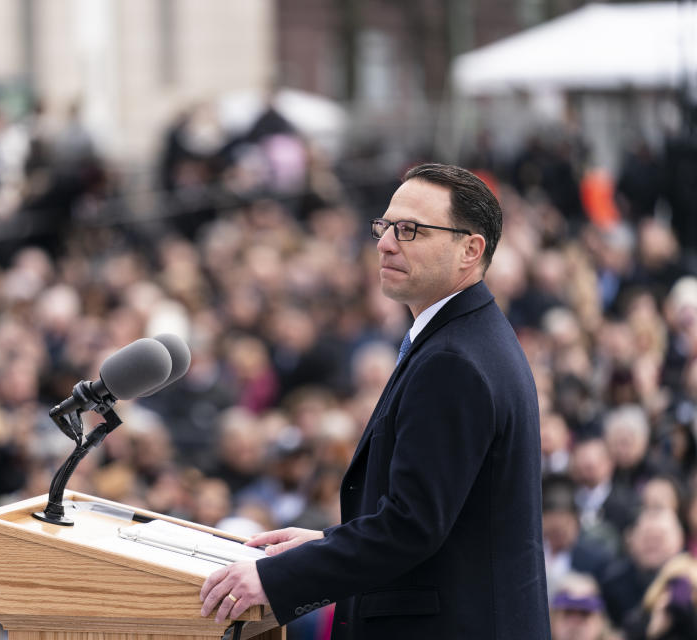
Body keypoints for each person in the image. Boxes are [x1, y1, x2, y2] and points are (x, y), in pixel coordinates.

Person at [200, 163, 550, 638]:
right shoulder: (464, 338)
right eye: (385, 227)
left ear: (471, 249)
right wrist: (324, 544)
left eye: (410, 230)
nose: (385, 243)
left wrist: (274, 578)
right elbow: (437, 515)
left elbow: (411, 526)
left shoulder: (455, 360)